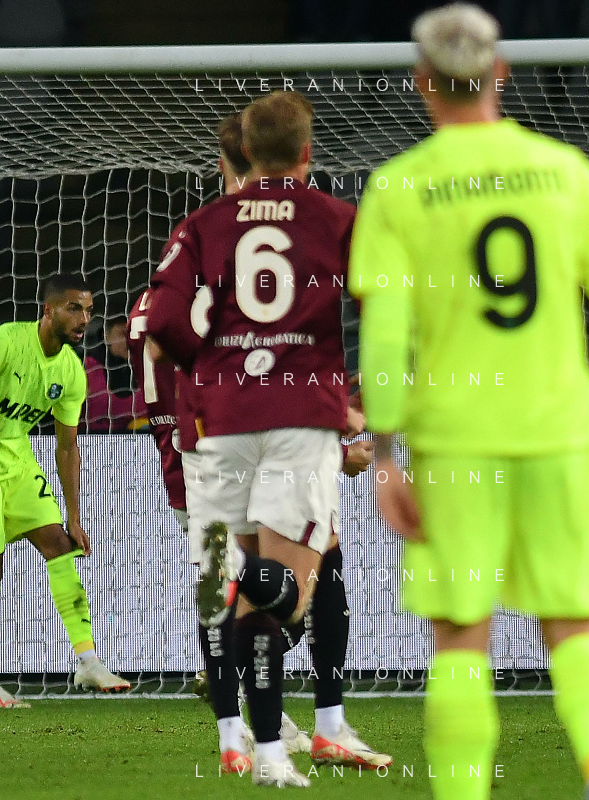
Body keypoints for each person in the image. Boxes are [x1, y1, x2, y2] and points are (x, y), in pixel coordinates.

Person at [349, 5, 589, 799]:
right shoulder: (565, 172)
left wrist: (385, 452)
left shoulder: (399, 186)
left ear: (422, 80)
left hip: (453, 442)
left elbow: (384, 334)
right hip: (557, 434)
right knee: (574, 626)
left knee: (459, 638)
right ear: (501, 71)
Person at [146, 91, 389, 787]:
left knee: (244, 596)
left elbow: (160, 321)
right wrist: (357, 402)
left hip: (220, 423)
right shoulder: (336, 218)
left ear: (245, 152)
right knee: (292, 594)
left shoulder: (202, 224)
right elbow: (388, 309)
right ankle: (289, 731)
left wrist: (210, 366)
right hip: (298, 420)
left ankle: (269, 754)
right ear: (308, 153)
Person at [0, 273, 130, 702]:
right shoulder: (7, 341)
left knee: (60, 545)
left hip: (17, 459)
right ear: (49, 310)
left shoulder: (72, 371)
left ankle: (88, 661)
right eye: (74, 308)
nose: (84, 319)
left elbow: (67, 446)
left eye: (88, 311)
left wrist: (74, 517)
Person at [83, 316, 143, 432]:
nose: (131, 339)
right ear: (106, 336)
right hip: (94, 440)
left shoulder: (151, 367)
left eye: (135, 333)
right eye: (123, 334)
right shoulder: (88, 369)